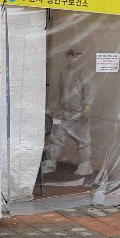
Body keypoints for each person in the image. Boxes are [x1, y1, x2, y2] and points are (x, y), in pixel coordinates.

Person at [43, 48, 94, 176]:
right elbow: (60, 92)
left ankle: (85, 164)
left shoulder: (85, 71)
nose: (70, 57)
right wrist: (53, 108)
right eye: (69, 54)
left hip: (78, 113)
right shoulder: (64, 71)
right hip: (63, 111)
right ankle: (50, 162)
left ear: (80, 55)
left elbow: (89, 92)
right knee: (56, 137)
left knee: (83, 140)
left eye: (73, 54)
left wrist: (87, 109)